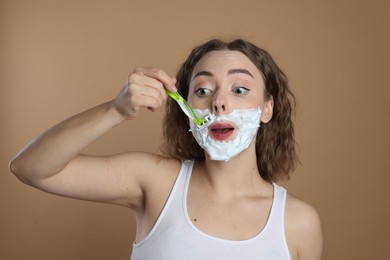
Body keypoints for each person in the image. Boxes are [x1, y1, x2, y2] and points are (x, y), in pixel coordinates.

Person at [10, 38, 323, 259]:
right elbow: (29, 168)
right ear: (185, 106)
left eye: (239, 89)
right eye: (202, 90)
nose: (219, 102)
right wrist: (115, 111)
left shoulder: (298, 223)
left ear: (267, 108)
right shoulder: (155, 182)